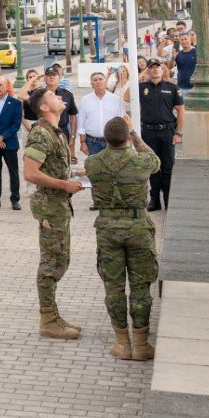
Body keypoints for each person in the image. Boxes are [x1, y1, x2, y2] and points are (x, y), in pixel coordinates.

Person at [85, 117, 161, 360]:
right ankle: (141, 345)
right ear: (127, 138)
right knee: (141, 287)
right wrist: (136, 136)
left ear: (105, 139)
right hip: (138, 227)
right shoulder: (141, 162)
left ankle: (122, 343)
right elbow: (156, 161)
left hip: (107, 230)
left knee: (113, 288)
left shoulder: (93, 164)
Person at [22, 87, 85, 340]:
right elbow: (30, 173)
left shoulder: (55, 132)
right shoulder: (41, 134)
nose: (59, 97)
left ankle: (54, 315)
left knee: (61, 260)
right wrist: (64, 185)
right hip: (50, 206)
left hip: (59, 206)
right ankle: (48, 320)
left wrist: (73, 176)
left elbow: (51, 167)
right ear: (45, 108)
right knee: (50, 264)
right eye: (53, 96)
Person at [135, 59, 184, 211]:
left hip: (167, 132)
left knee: (168, 167)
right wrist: (141, 73)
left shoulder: (172, 88)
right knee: (153, 167)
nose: (155, 70)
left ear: (162, 71)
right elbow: (127, 96)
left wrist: (178, 133)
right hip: (149, 132)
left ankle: (168, 199)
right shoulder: (141, 88)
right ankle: (154, 200)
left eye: (157, 67)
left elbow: (181, 112)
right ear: (148, 71)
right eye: (151, 68)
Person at [77, 70, 127, 158]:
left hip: (112, 143)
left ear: (105, 81)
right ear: (91, 84)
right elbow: (81, 124)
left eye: (100, 79)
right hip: (92, 143)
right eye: (95, 80)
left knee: (112, 169)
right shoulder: (85, 100)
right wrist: (82, 143)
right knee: (94, 169)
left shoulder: (116, 99)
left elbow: (122, 121)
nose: (98, 82)